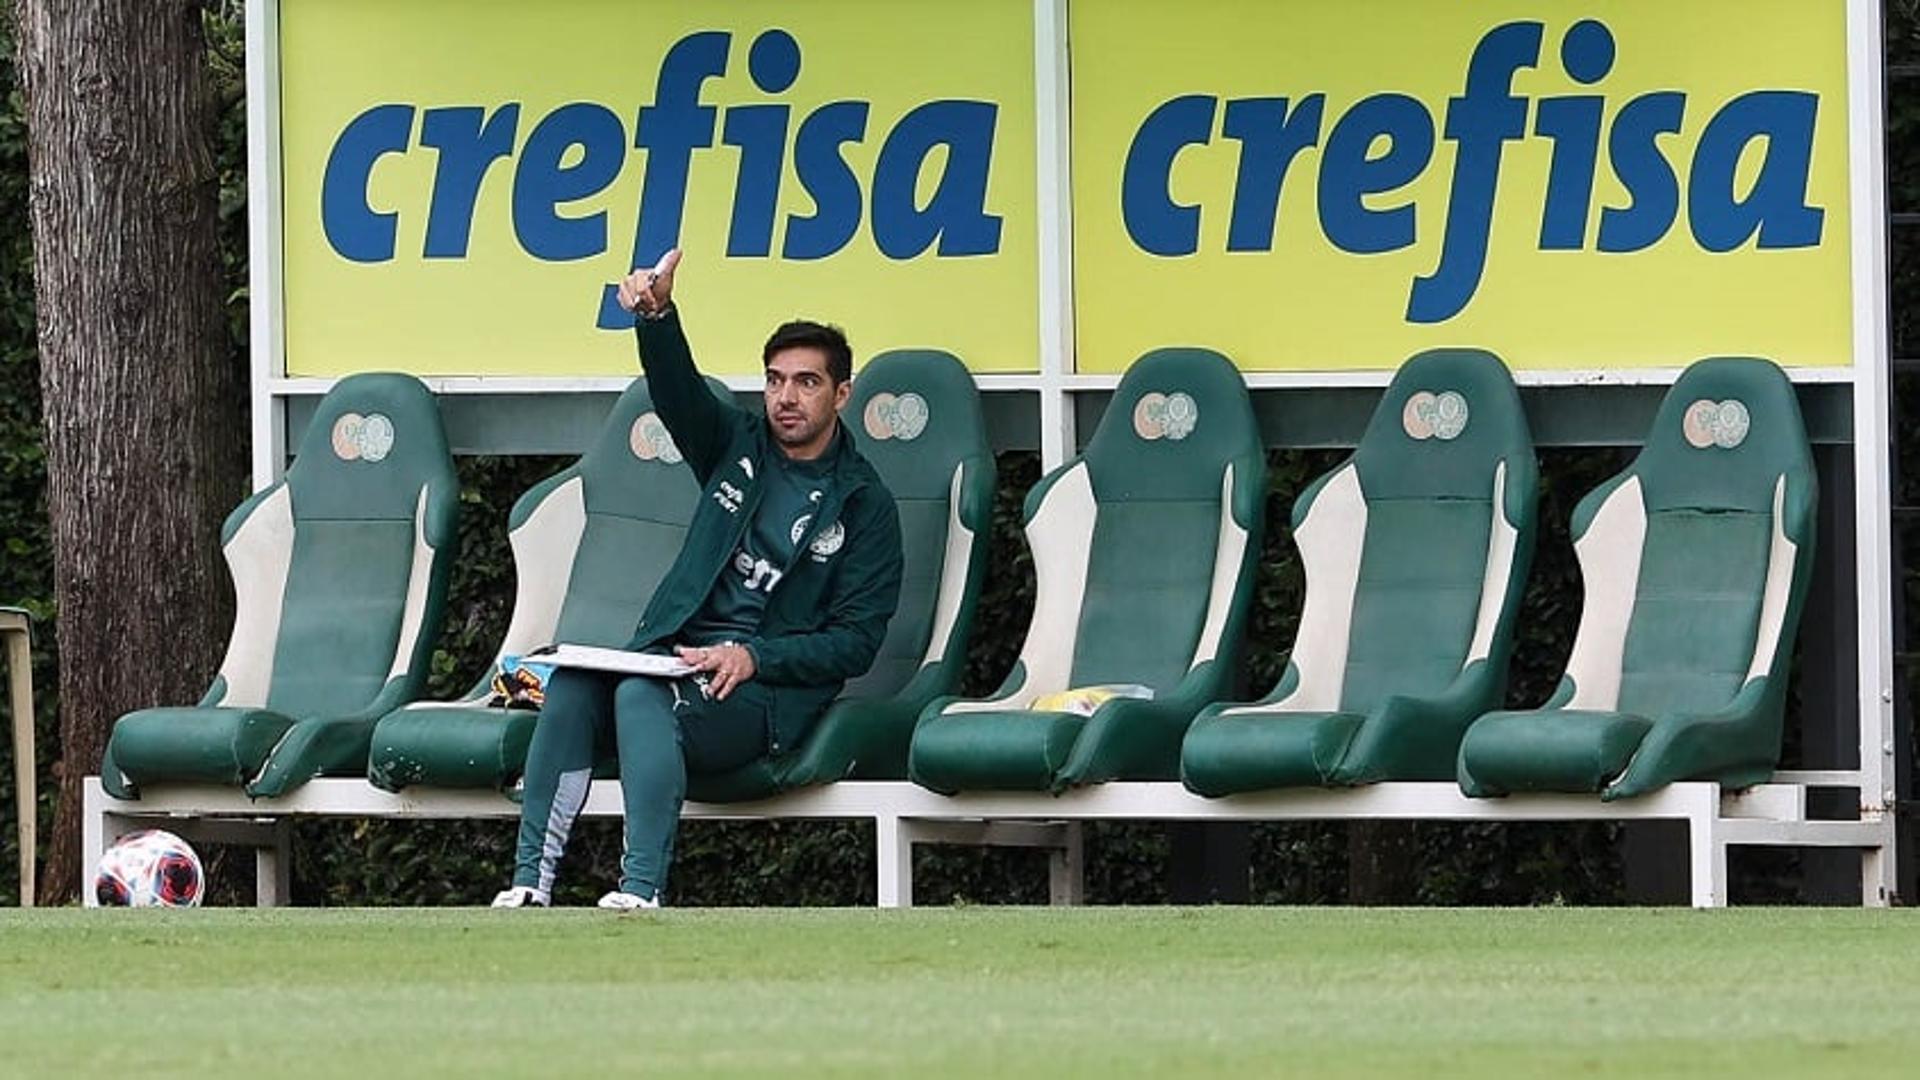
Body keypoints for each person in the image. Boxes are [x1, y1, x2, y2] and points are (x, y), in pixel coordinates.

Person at [493, 248, 903, 909]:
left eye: (805, 382)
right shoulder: (733, 446)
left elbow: (855, 642)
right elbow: (678, 393)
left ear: (842, 394)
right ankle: (528, 885)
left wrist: (752, 654)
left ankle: (641, 890)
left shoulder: (865, 503)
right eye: (774, 381)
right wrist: (655, 317)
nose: (785, 398)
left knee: (637, 697)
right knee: (572, 687)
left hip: (762, 694)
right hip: (671, 662)